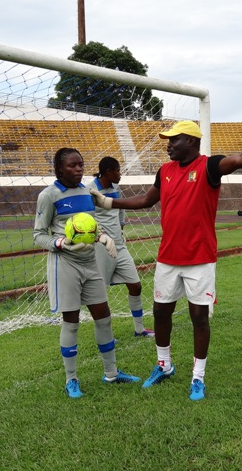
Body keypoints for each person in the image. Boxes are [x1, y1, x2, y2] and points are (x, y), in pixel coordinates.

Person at [90, 115, 242, 401]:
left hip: (200, 259)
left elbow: (238, 160)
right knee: (161, 312)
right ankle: (164, 365)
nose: (168, 145)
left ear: (191, 141)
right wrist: (108, 202)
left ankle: (198, 377)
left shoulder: (209, 167)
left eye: (173, 140)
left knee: (199, 317)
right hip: (168, 257)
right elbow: (146, 200)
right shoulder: (165, 170)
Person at [33, 147, 141, 399]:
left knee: (103, 317)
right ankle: (71, 379)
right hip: (65, 264)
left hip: (90, 262)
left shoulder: (87, 193)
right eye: (72, 165)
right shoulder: (48, 196)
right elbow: (38, 235)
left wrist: (102, 236)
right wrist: (60, 243)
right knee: (71, 321)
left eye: (80, 164)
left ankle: (111, 373)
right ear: (59, 169)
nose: (78, 169)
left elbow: (91, 225)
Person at [91, 156, 154, 338]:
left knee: (135, 285)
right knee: (100, 293)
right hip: (101, 246)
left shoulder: (115, 188)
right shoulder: (90, 190)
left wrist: (121, 227)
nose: (120, 174)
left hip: (119, 245)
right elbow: (87, 217)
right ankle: (106, 336)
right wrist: (100, 237)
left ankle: (139, 329)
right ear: (108, 172)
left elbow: (120, 210)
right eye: (117, 171)